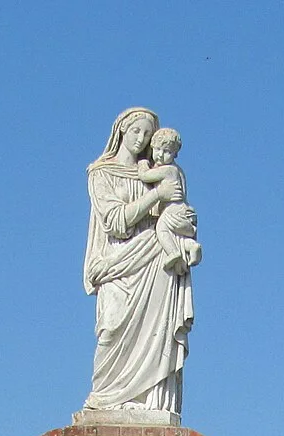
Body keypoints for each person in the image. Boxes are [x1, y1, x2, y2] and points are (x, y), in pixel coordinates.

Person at [81, 107, 199, 416]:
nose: (141, 139)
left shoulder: (156, 171)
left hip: (154, 258)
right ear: (121, 130)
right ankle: (106, 400)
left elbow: (174, 212)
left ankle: (153, 405)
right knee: (110, 329)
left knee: (157, 336)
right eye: (136, 132)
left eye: (147, 134)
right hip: (117, 266)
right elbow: (115, 221)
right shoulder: (101, 173)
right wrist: (156, 194)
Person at [136, 126, 202, 274]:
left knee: (162, 229)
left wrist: (142, 164)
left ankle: (173, 252)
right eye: (157, 150)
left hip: (173, 210)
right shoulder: (179, 171)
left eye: (166, 152)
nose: (160, 155)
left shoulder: (168, 170)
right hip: (182, 212)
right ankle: (190, 246)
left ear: (175, 154)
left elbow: (145, 176)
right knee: (174, 234)